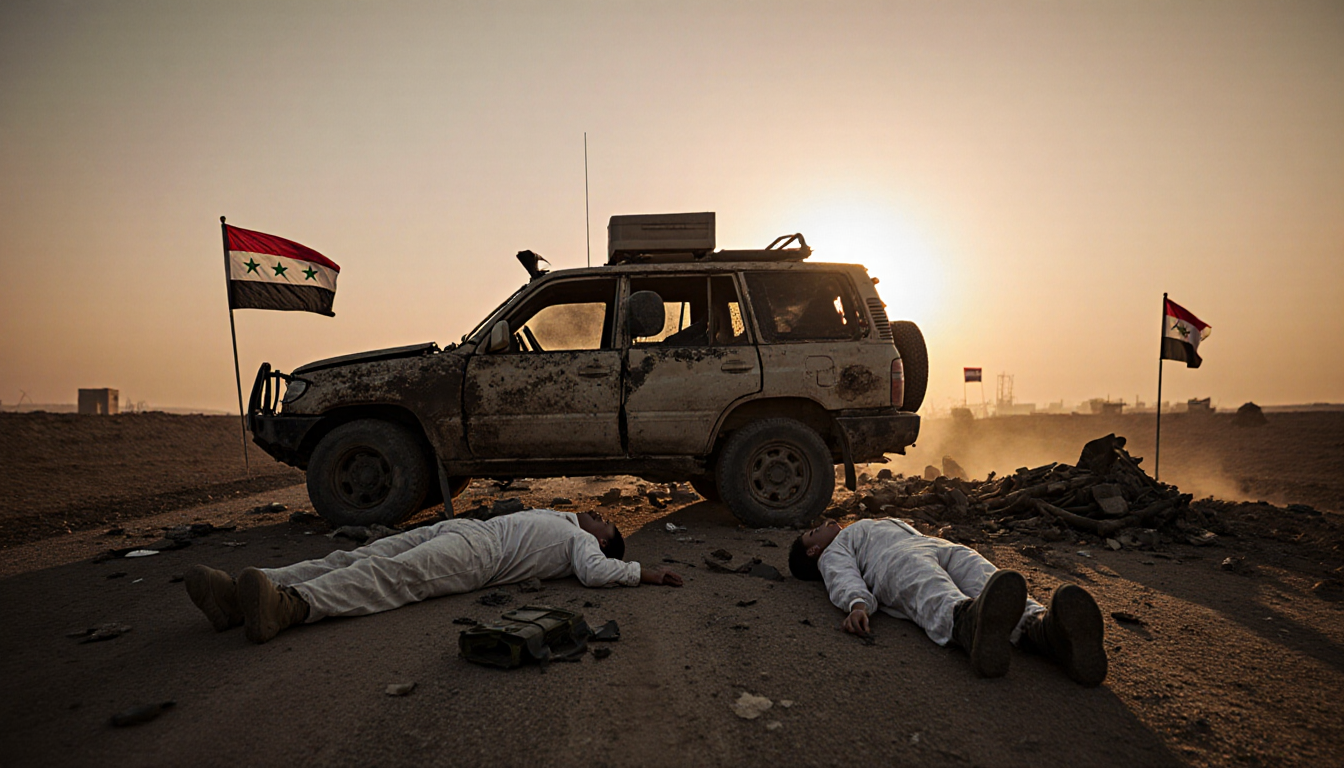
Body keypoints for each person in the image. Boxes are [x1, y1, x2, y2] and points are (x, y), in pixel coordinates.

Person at [185, 509, 683, 644]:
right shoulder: (566, 519)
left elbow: (596, 574)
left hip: (479, 556)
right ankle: (241, 594)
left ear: (601, 539)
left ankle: (287, 606)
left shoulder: (581, 545)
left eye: (604, 523)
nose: (596, 515)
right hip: (465, 529)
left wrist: (644, 573)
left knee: (388, 574)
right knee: (360, 555)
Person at [789, 517, 1107, 685]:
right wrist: (857, 604)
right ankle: (968, 623)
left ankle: (1044, 628)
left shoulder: (859, 527)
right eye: (814, 532)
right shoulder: (832, 553)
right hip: (893, 561)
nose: (822, 525)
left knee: (989, 579)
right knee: (930, 588)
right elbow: (842, 577)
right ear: (814, 551)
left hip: (939, 546)